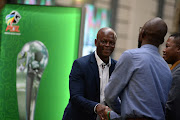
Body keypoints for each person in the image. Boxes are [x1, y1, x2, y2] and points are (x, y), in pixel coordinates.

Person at [104, 17, 172, 120]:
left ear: (142, 34)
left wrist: (120, 112)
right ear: (162, 41)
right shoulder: (166, 68)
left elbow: (109, 95)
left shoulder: (131, 56)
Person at [62, 27, 117, 120]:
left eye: (111, 43)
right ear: (96, 42)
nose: (107, 45)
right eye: (104, 41)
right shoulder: (80, 64)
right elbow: (76, 97)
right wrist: (96, 107)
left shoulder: (117, 67)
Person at [163, 33, 180, 120]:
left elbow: (170, 107)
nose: (164, 50)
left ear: (178, 49)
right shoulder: (174, 70)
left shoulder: (178, 73)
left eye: (167, 46)